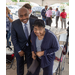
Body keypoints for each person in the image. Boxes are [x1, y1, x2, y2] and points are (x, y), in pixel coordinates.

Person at [11, 7, 37, 75]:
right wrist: (19, 50)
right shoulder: (14, 24)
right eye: (21, 16)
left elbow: (39, 34)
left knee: (30, 66)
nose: (24, 18)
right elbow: (13, 39)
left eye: (26, 15)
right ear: (18, 16)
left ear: (29, 13)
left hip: (30, 49)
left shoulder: (34, 21)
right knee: (20, 66)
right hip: (19, 48)